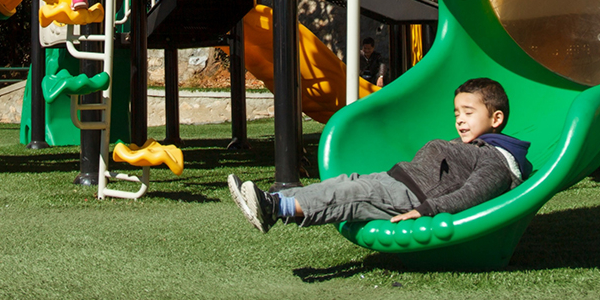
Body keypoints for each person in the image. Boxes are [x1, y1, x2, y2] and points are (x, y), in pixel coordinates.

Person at [227, 77, 532, 232]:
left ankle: (274, 206)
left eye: (468, 112)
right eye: (457, 113)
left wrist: (429, 209)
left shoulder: (495, 158)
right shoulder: (472, 146)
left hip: (412, 195)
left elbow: (474, 193)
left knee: (349, 194)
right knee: (344, 183)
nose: (460, 120)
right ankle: (279, 204)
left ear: (496, 119)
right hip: (398, 180)